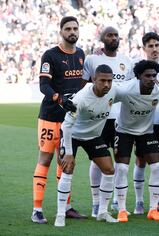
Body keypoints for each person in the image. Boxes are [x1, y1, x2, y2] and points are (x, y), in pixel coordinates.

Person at [31, 16, 86, 224]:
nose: (72, 31)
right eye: (68, 28)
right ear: (61, 31)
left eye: (75, 28)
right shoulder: (50, 55)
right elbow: (44, 85)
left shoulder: (81, 54)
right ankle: (37, 209)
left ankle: (67, 206)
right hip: (50, 116)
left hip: (70, 121)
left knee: (66, 162)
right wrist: (59, 98)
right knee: (45, 159)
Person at [55, 64, 120, 227]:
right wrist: (68, 153)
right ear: (94, 80)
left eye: (109, 81)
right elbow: (66, 126)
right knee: (68, 169)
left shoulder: (113, 91)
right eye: (103, 81)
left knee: (109, 169)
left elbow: (131, 91)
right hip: (73, 135)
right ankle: (61, 214)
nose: (106, 84)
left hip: (93, 136)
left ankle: (102, 212)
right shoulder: (81, 98)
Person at [82, 26, 134, 217]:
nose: (113, 38)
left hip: (120, 119)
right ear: (102, 38)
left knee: (120, 162)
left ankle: (117, 202)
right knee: (97, 161)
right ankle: (96, 203)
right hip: (99, 119)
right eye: (109, 35)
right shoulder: (92, 59)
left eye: (116, 35)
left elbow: (129, 89)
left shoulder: (126, 61)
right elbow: (84, 86)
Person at [113, 60, 159, 222]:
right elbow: (107, 93)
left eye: (154, 75)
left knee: (157, 167)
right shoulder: (125, 89)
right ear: (138, 76)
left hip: (146, 132)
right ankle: (122, 210)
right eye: (147, 76)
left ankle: (153, 209)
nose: (151, 79)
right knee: (122, 168)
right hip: (124, 131)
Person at [132, 32, 159, 215]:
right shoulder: (136, 68)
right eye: (150, 46)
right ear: (144, 49)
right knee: (140, 161)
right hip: (142, 122)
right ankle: (139, 201)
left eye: (157, 45)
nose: (154, 49)